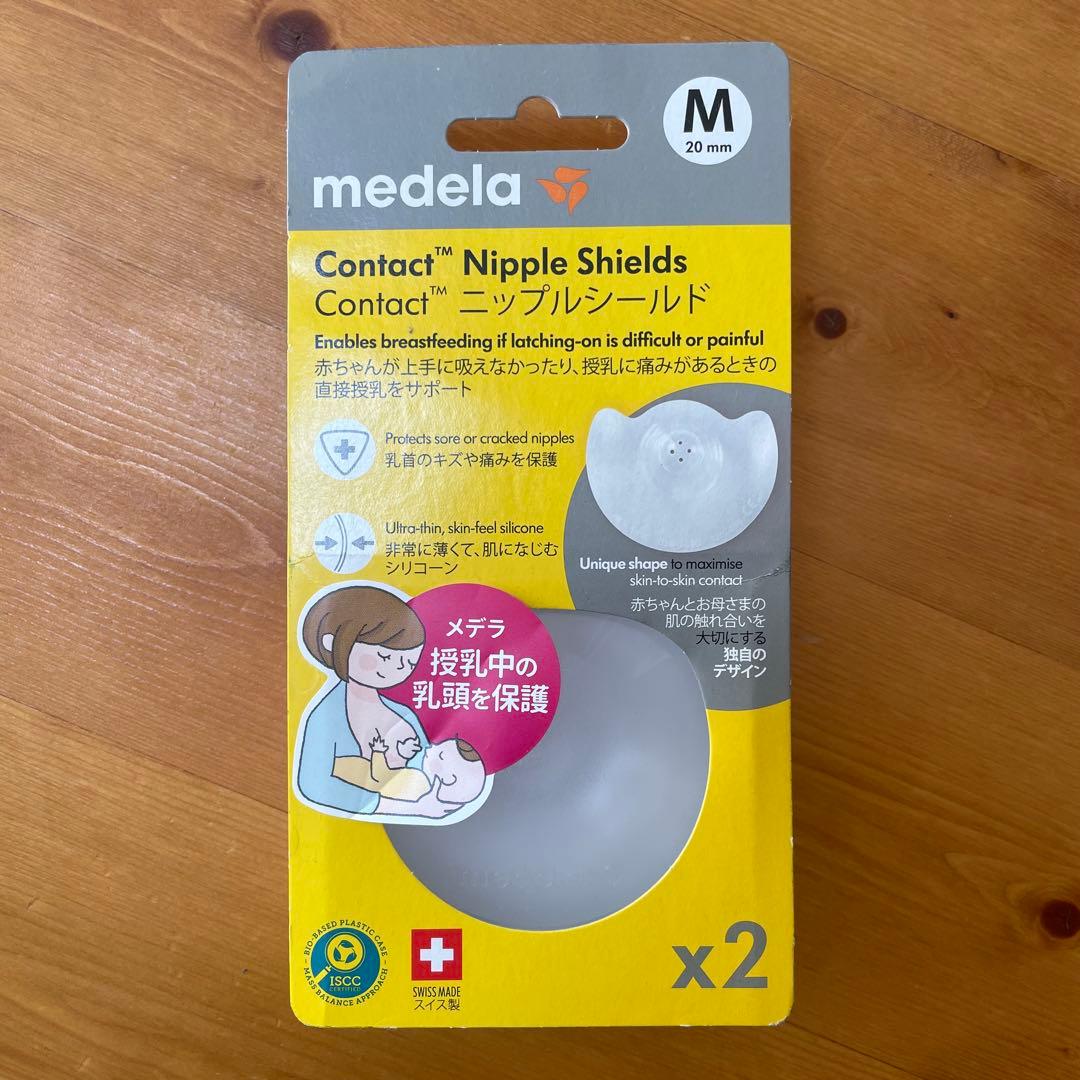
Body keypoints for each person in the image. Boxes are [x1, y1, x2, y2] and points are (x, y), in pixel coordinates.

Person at [294, 585, 455, 819]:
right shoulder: (325, 717)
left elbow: (424, 773)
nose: (398, 668)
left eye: (409, 662)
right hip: (351, 824)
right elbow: (314, 786)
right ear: (332, 643)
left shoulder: (405, 715)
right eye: (385, 656)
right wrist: (407, 808)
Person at [333, 732, 486, 808]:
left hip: (343, 770)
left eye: (440, 755)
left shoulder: (420, 785)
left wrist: (378, 752)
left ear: (449, 779)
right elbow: (394, 775)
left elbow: (379, 779)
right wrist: (403, 754)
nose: (431, 747)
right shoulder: (420, 782)